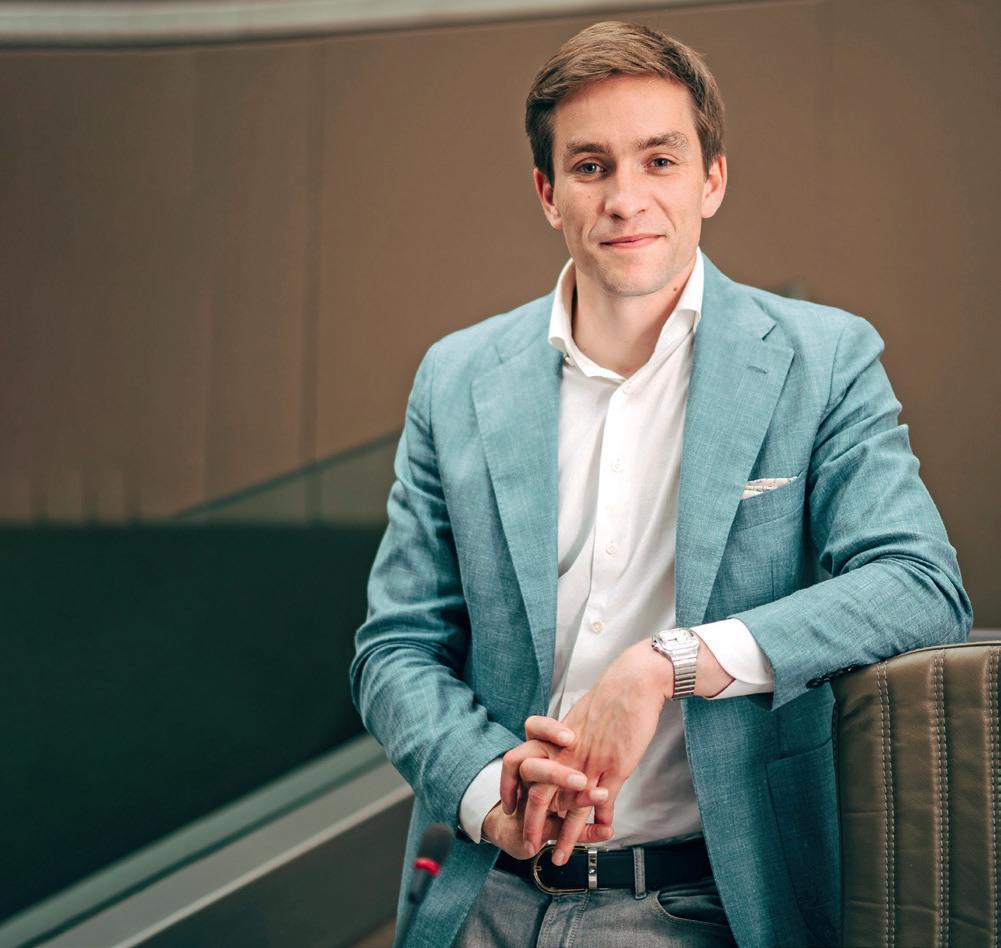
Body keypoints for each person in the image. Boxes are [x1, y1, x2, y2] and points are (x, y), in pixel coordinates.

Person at [350, 20, 971, 948]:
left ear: (710, 180)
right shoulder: (455, 377)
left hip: (702, 905)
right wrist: (487, 786)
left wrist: (664, 665)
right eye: (590, 166)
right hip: (485, 892)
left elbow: (919, 585)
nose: (625, 198)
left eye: (659, 160)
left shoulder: (822, 361)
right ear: (547, 192)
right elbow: (395, 648)